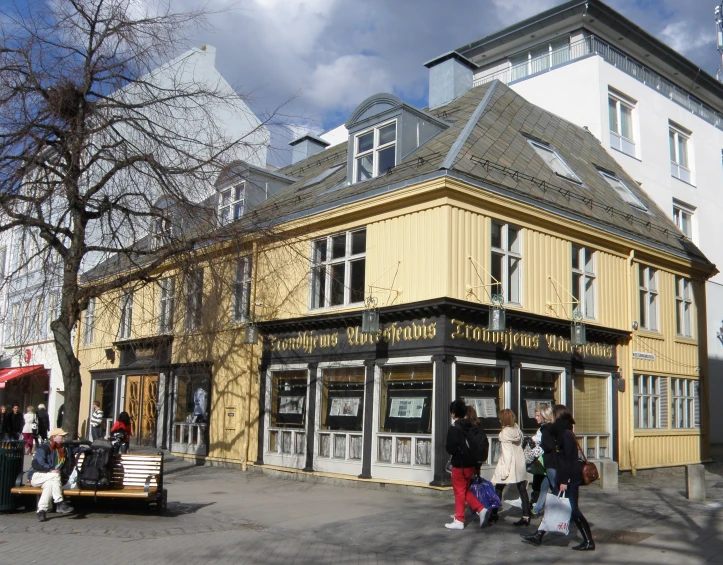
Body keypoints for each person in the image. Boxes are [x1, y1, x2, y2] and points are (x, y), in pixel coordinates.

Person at [522, 404, 595, 551]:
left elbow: (568, 460)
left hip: (569, 478)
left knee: (573, 510)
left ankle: (589, 541)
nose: (552, 418)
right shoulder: (562, 432)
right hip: (566, 476)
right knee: (554, 505)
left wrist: (564, 481)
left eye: (554, 416)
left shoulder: (565, 434)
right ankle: (538, 535)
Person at [444, 399, 487, 530]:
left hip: (459, 465)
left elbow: (450, 449)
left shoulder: (455, 428)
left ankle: (459, 519)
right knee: (465, 490)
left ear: (453, 413)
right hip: (471, 464)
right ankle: (481, 509)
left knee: (459, 492)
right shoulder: (471, 426)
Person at [490, 408, 530, 526]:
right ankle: (526, 516)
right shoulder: (517, 430)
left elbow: (507, 453)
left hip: (508, 464)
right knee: (522, 490)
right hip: (519, 464)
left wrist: (504, 471)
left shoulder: (504, 433)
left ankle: (493, 514)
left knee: (498, 489)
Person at [29, 428, 76, 522]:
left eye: (64, 436)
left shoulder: (65, 448)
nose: (64, 437)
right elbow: (36, 464)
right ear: (54, 437)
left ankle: (41, 510)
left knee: (50, 484)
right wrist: (50, 469)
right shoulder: (45, 448)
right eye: (61, 436)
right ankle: (59, 502)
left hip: (50, 479)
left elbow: (78, 448)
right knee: (55, 475)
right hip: (38, 475)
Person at [530, 403, 556, 516]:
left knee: (555, 487)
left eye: (537, 415)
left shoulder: (546, 429)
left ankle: (562, 511)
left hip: (551, 462)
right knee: (544, 486)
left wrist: (536, 451)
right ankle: (537, 508)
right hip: (550, 462)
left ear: (544, 416)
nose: (535, 418)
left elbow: (548, 445)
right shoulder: (551, 428)